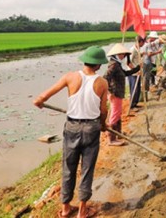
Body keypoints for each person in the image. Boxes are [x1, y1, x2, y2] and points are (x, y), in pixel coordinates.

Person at [33, 46, 109, 218]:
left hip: (72, 127)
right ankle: (82, 210)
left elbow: (44, 96)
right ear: (98, 66)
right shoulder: (102, 83)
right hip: (91, 129)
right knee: (87, 168)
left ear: (84, 61)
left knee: (68, 168)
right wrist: (103, 125)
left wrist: (40, 100)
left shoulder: (70, 77)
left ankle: (66, 208)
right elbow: (103, 110)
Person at [104, 43, 140, 146]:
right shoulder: (114, 65)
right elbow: (106, 77)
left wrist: (137, 68)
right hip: (115, 93)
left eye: (124, 54)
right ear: (117, 54)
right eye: (122, 54)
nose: (123, 56)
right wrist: (110, 90)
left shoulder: (117, 64)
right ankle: (111, 139)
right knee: (115, 115)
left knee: (118, 114)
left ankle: (118, 133)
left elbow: (125, 73)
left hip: (118, 92)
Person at [142, 32, 166, 99]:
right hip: (146, 62)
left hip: (150, 61)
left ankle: (148, 89)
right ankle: (145, 92)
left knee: (148, 76)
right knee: (145, 78)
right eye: (154, 38)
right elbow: (149, 54)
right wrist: (157, 52)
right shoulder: (149, 44)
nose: (154, 39)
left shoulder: (159, 44)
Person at [128, 37, 145, 110]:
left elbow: (136, 58)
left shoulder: (137, 49)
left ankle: (135, 103)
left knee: (137, 88)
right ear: (140, 42)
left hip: (138, 72)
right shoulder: (132, 50)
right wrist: (135, 70)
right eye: (143, 42)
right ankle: (132, 105)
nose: (143, 44)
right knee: (133, 89)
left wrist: (141, 55)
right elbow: (129, 63)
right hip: (133, 73)